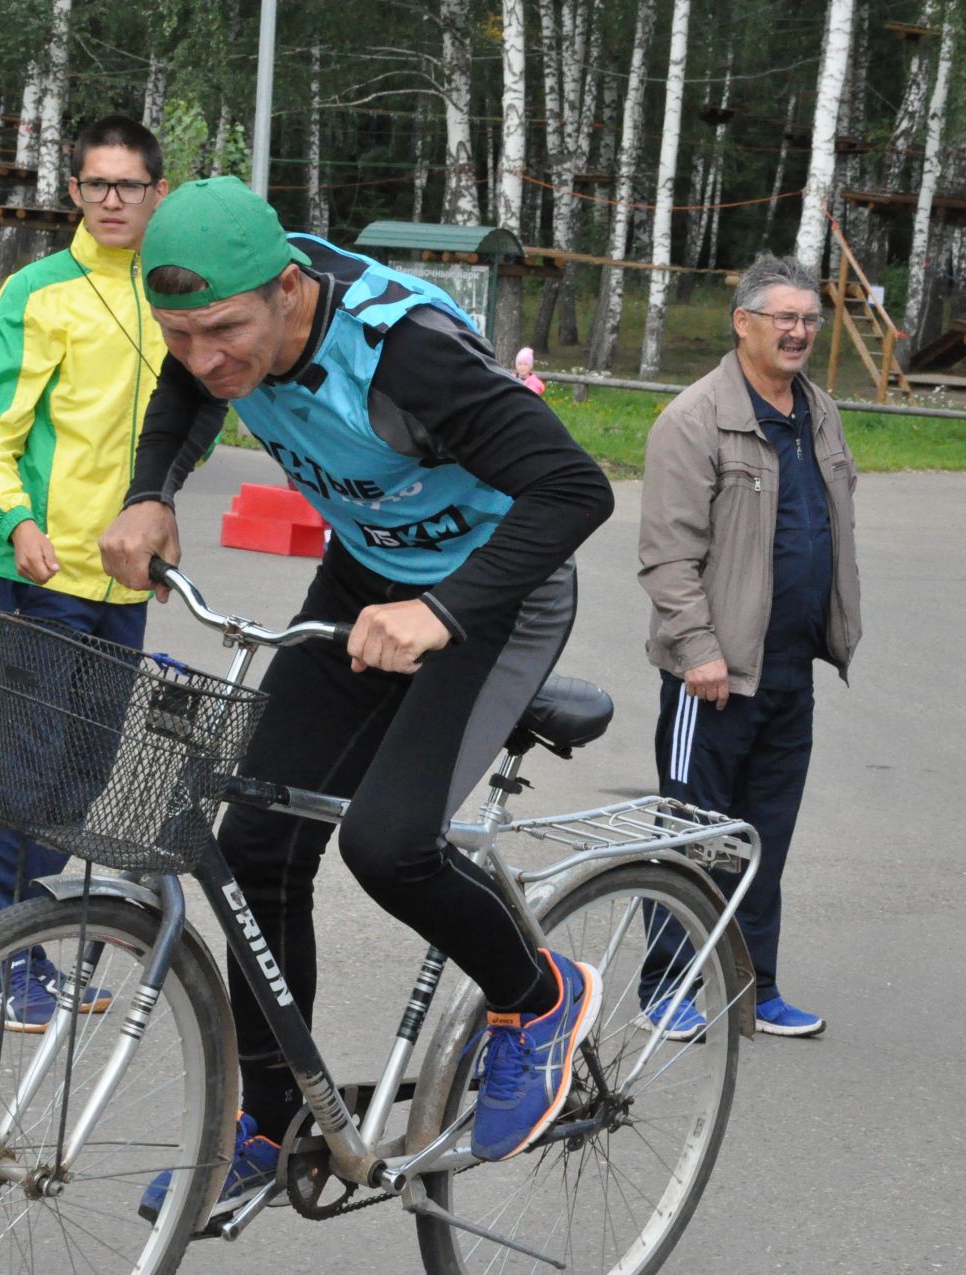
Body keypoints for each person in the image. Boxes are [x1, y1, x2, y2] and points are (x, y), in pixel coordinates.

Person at [97, 176, 615, 1213]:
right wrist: (152, 490)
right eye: (181, 333)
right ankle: (276, 1115)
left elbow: (575, 488)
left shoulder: (405, 354)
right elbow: (188, 388)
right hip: (365, 580)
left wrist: (445, 612)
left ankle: (541, 998)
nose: (207, 359)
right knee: (250, 844)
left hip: (494, 593)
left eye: (226, 333)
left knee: (389, 845)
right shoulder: (221, 321)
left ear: (289, 292)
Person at [0, 115, 169, 1029]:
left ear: (159, 193)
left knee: (82, 778)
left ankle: (40, 946)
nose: (113, 200)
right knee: (23, 769)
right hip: (44, 573)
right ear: (75, 192)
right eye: (96, 185)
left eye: (129, 185)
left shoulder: (171, 295)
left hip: (126, 581)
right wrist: (17, 521)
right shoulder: (39, 293)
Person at [635, 252, 861, 1039]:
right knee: (691, 828)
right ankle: (664, 984)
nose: (799, 332)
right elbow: (668, 554)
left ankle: (751, 985)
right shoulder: (694, 419)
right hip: (715, 675)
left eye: (808, 318)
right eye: (783, 318)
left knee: (763, 836)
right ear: (744, 323)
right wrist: (698, 647)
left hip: (789, 668)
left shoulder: (819, 412)